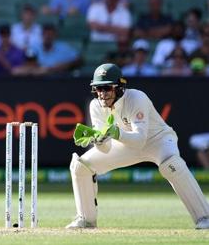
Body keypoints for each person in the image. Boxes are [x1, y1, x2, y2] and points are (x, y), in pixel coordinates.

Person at [66, 63, 209, 229]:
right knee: (81, 166)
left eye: (107, 88)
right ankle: (86, 220)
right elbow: (105, 149)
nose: (103, 94)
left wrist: (115, 133)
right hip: (124, 144)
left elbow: (140, 139)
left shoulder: (136, 98)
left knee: (171, 165)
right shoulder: (95, 105)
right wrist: (98, 140)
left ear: (119, 87)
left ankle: (204, 217)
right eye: (98, 89)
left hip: (158, 140)